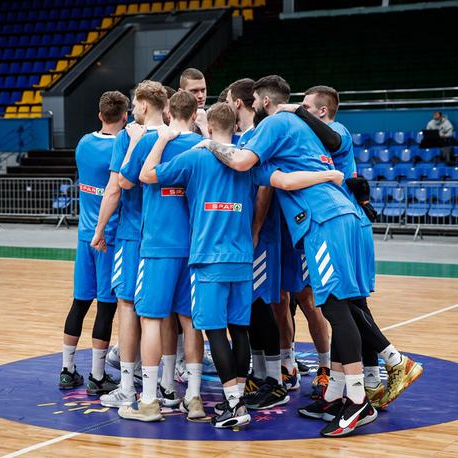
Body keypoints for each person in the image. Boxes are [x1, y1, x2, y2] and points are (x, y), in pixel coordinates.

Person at [198, 75, 376, 438]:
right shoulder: (296, 138)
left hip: (324, 219)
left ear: (261, 104)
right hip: (335, 217)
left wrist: (208, 142)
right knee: (334, 306)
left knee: (337, 308)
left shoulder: (277, 122)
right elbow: (287, 179)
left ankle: (358, 399)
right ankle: (340, 393)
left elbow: (242, 160)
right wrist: (327, 173)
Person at [297, 85, 423, 409]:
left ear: (322, 112)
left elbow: (335, 141)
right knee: (350, 304)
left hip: (348, 225)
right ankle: (366, 381)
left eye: (306, 106)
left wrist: (292, 113)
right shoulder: (320, 141)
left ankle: (392, 362)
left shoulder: (335, 130)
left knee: (348, 306)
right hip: (350, 222)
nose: (302, 109)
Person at [139, 103, 254, 429]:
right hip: (243, 255)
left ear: (208, 127)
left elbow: (147, 175)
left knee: (214, 330)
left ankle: (234, 404)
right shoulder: (247, 158)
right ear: (234, 125)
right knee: (240, 329)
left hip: (208, 256)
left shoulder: (197, 156)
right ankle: (238, 399)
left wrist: (161, 140)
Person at [116, 91, 206, 422]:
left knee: (151, 319)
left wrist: (138, 142)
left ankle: (150, 401)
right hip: (193, 246)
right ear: (196, 114)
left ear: (169, 112)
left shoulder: (152, 141)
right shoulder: (201, 148)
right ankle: (194, 398)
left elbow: (126, 181)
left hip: (156, 245)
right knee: (190, 320)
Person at [92, 80, 168, 409]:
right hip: (167, 237)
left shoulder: (128, 136)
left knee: (128, 305)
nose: (132, 111)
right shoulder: (177, 136)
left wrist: (99, 229)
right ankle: (166, 383)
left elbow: (116, 186)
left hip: (132, 233)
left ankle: (127, 384)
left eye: (135, 105)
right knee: (164, 312)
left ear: (143, 105)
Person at [59, 91, 128, 396]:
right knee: (106, 308)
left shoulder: (84, 143)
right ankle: (97, 376)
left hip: (84, 236)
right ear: (124, 116)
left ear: (100, 115)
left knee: (79, 303)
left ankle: (67, 369)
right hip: (109, 238)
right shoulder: (123, 148)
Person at [226, 77, 289, 409]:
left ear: (239, 102)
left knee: (261, 306)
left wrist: (254, 228)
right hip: (246, 234)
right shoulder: (245, 137)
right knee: (250, 307)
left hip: (260, 236)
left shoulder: (261, 134)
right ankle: (261, 376)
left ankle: (276, 381)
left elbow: (265, 187)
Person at [179, 68, 208, 136]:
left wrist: (205, 128)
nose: (201, 96)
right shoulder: (170, 119)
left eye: (203, 90)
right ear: (181, 92)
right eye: (194, 91)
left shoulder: (215, 120)